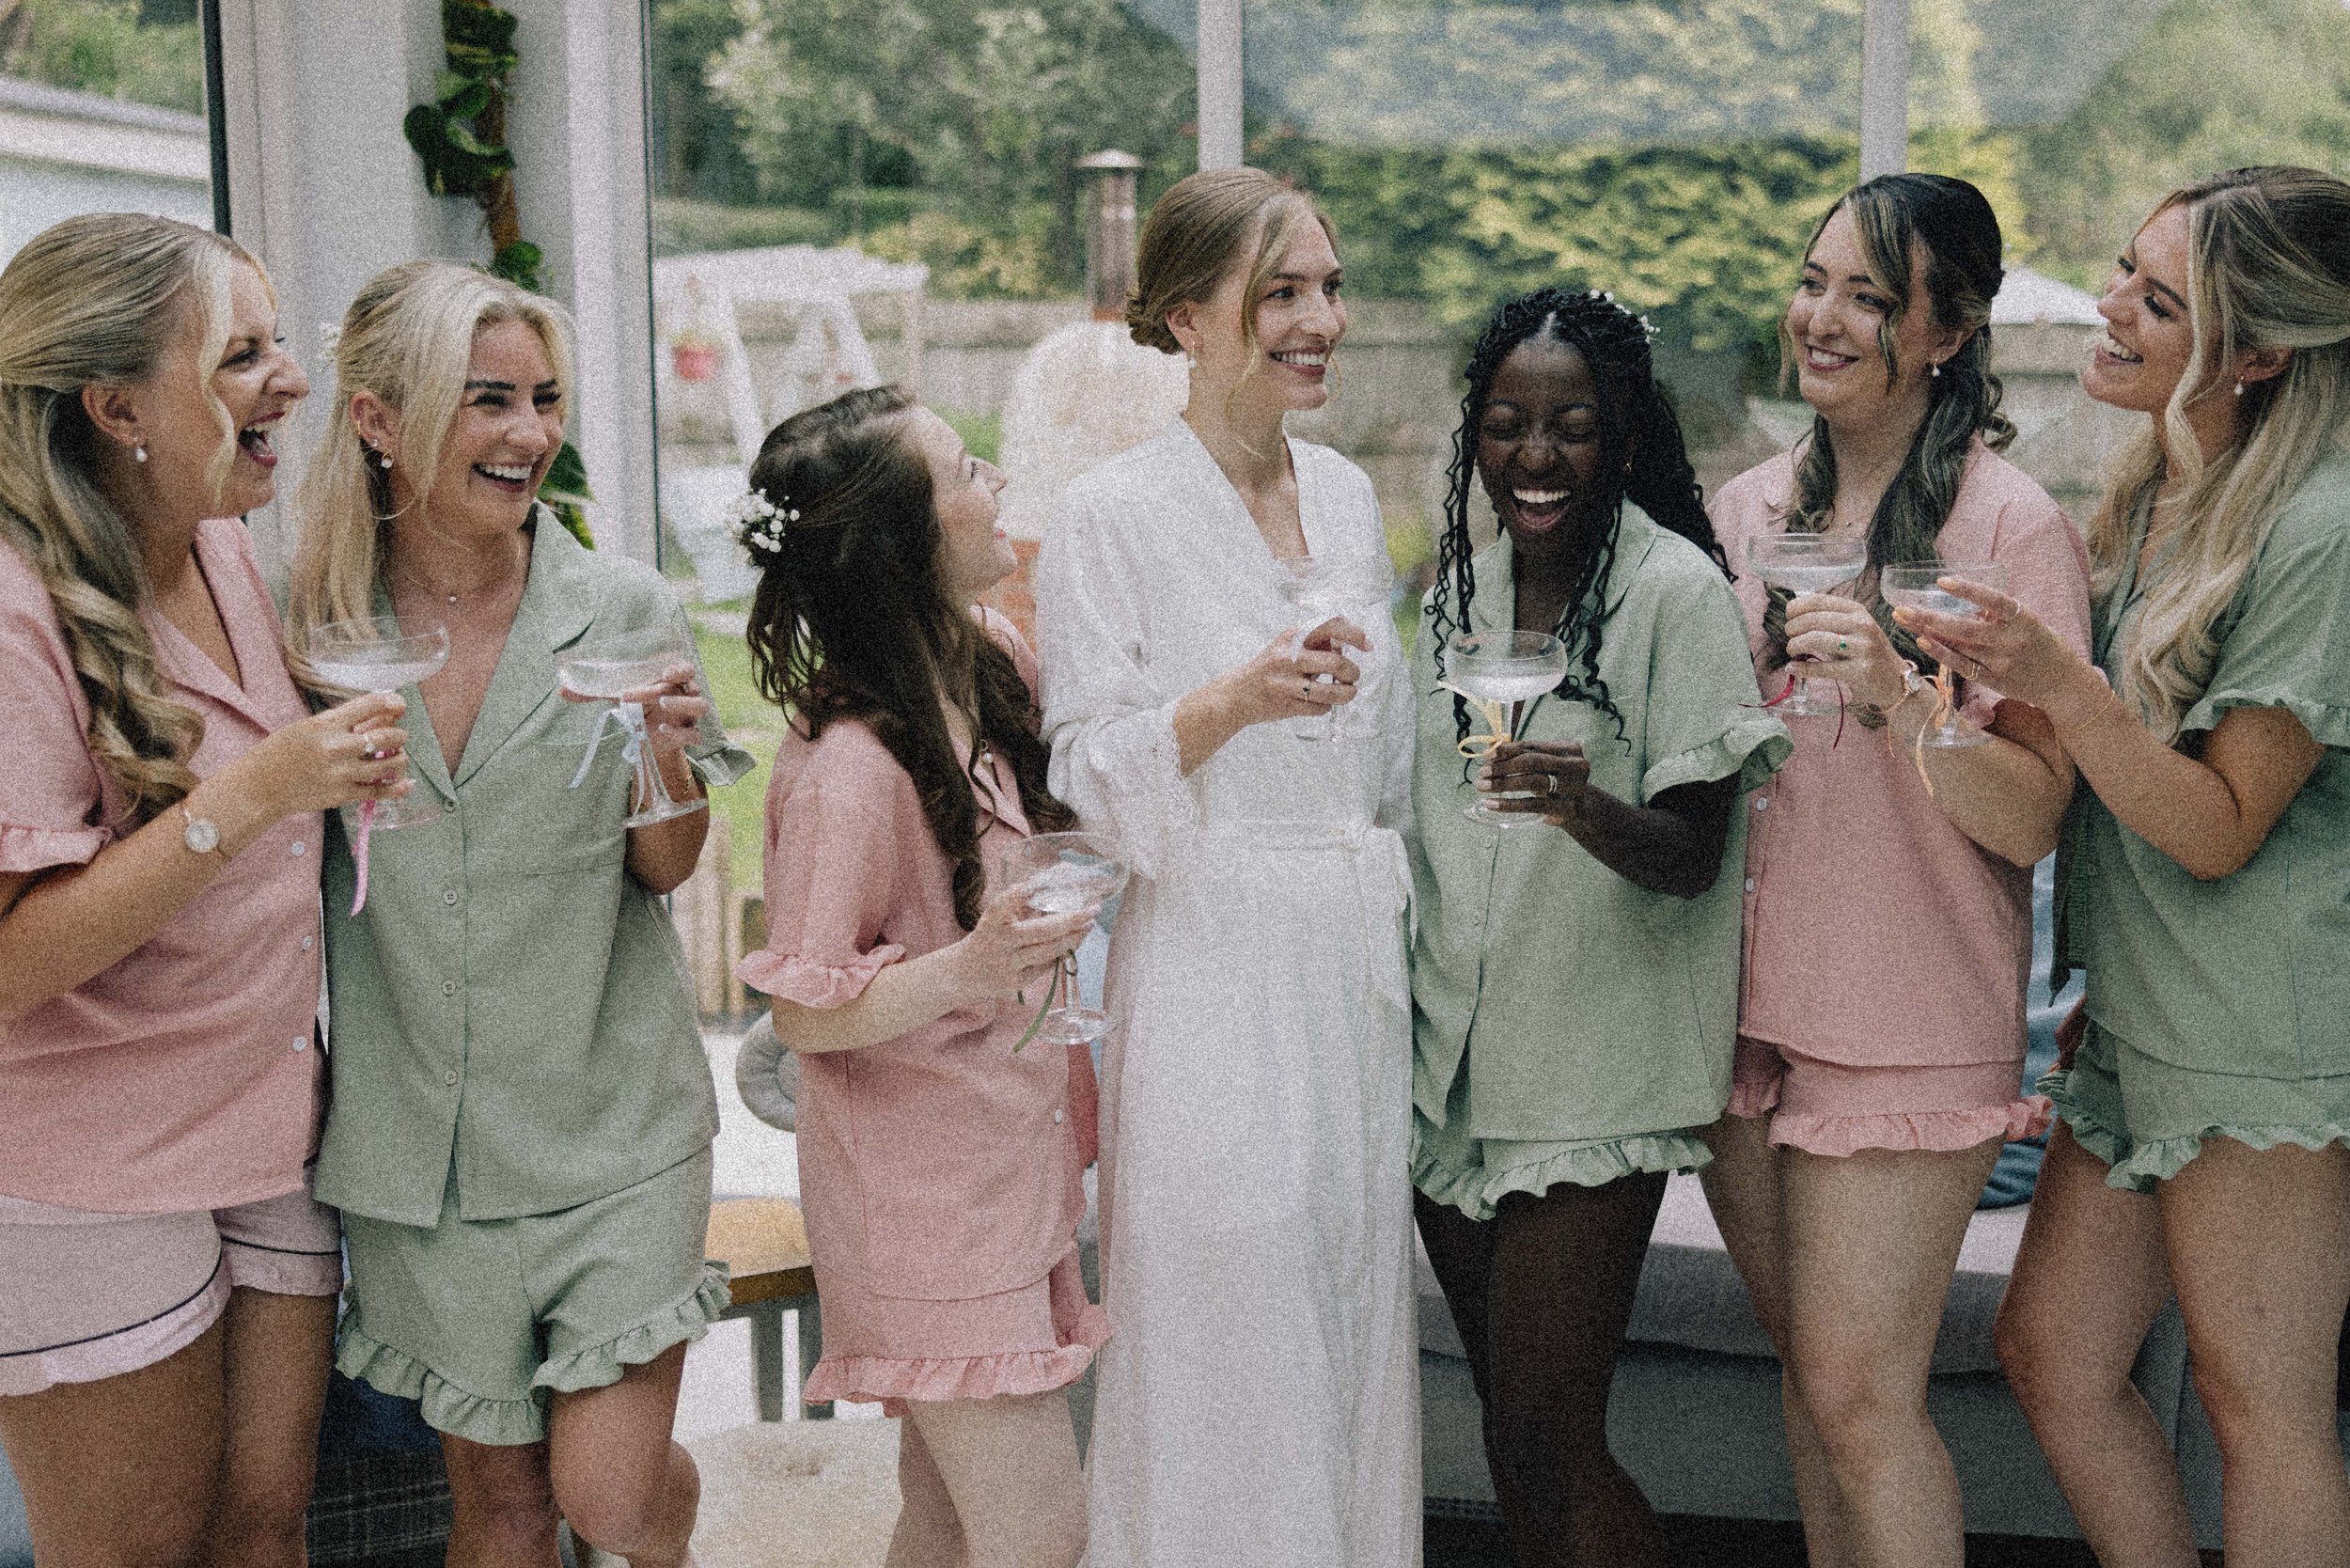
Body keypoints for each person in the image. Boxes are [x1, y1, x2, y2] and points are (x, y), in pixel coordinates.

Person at [289, 260, 751, 1568]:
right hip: (420, 1149)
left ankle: (659, 1515)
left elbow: (666, 869)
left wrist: (663, 756)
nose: (530, 435)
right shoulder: (313, 628)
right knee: (492, 1512)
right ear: (379, 419)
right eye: (488, 399)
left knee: (604, 1497)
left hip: (611, 1122)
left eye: (544, 400)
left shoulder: (625, 609)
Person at [1935, 166, 2350, 1568]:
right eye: (2122, 271)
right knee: (2052, 1351)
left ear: (2256, 352)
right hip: (2135, 1027)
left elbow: (2225, 824)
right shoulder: (2168, 494)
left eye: (2158, 301)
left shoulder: (2323, 528)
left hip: (2257, 1042)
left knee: (2263, 1411)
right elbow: (2083, 769)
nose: (2107, 309)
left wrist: (2063, 679)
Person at [0, 213, 408, 1567]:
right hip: (91, 1169)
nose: (289, 378)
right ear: (117, 406)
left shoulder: (219, 540)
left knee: (262, 1532)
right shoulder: (12, 613)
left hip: (264, 1122)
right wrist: (250, 800)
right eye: (242, 355)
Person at [1700, 172, 2092, 1568]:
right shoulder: (1745, 507)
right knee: (1818, 1395)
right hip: (1747, 1014)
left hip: (1910, 1023)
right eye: (1815, 280)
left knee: (1866, 1400)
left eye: (1869, 295)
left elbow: (2038, 812)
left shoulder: (2009, 528)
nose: (1823, 316)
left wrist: (1903, 703)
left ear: (1950, 329)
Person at [1033, 165, 1418, 1568]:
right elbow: (1080, 766)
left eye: (1327, 285)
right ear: (1187, 318)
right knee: (1222, 1338)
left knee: (1346, 1317)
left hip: (1348, 969)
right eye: (1282, 294)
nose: (1320, 318)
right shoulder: (1108, 513)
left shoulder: (1349, 492)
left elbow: (1379, 759)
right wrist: (1232, 704)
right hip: (1205, 960)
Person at [1408, 287, 1787, 1568]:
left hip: (1591, 1071)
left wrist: (1585, 810)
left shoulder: (1675, 593)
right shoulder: (1457, 593)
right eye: (1507, 423)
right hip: (1452, 1071)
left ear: (1621, 432)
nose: (1535, 455)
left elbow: (1692, 857)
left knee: (1550, 1429)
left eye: (1571, 425)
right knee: (1512, 1439)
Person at [735, 384, 1107, 1568]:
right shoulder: (849, 767)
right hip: (924, 1209)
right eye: (964, 469)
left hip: (1006, 1164)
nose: (994, 477)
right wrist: (972, 965)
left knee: (944, 1524)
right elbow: (802, 1011)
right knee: (1040, 1536)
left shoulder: (988, 662)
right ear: (901, 541)